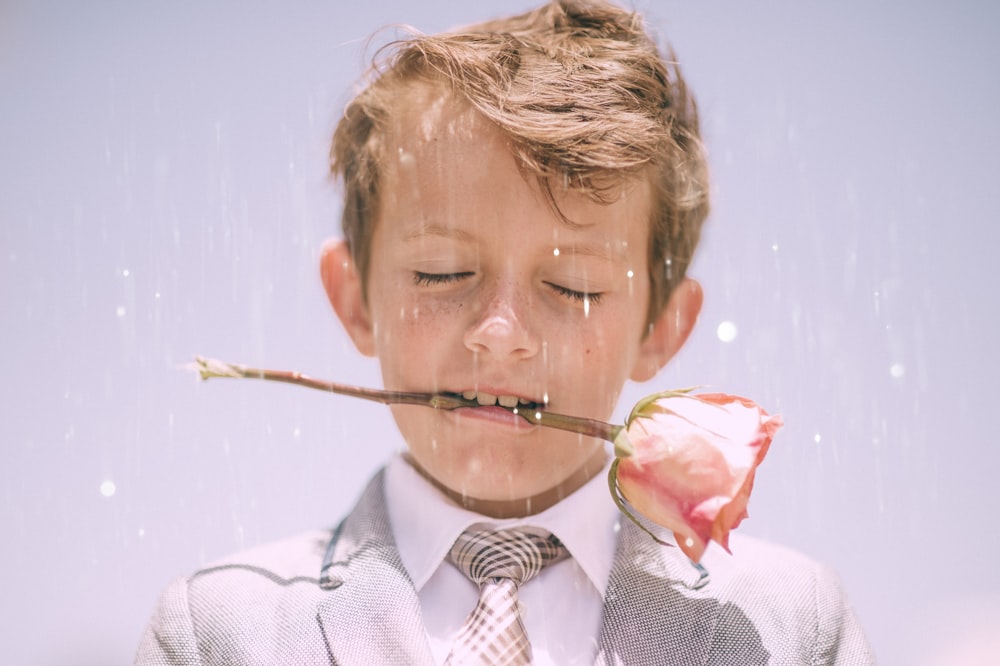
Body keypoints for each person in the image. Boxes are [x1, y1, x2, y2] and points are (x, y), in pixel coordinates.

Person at [136, 1, 874, 663]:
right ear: (354, 299)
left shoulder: (786, 627)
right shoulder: (221, 630)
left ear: (662, 326)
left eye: (572, 287)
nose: (501, 334)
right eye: (441, 273)